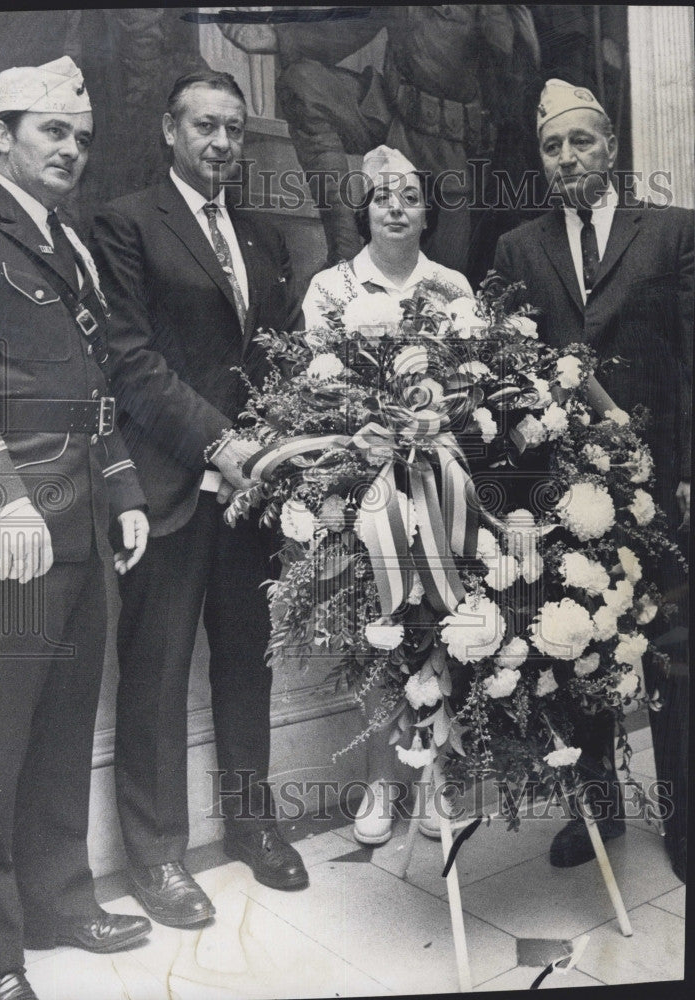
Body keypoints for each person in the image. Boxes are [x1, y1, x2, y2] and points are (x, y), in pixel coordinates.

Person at [0, 57, 152, 1000]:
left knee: (65, 728)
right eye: (50, 130)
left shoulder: (66, 243)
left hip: (83, 520)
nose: (70, 148)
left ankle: (61, 898)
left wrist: (125, 484)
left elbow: (90, 385)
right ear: (3, 134)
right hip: (10, 529)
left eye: (80, 135)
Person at [90, 70, 310, 930]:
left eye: (234, 130)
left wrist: (278, 449)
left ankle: (254, 826)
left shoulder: (258, 235)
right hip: (172, 485)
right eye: (206, 127)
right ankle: (156, 859)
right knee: (155, 672)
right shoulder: (126, 223)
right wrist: (220, 442)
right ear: (170, 132)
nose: (222, 144)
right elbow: (131, 361)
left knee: (245, 660)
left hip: (250, 495)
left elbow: (279, 361)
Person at [494, 78, 692, 880]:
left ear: (612, 147)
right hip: (566, 494)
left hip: (664, 484)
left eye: (582, 141)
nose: (569, 157)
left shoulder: (673, 233)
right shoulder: (517, 248)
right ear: (541, 161)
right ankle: (601, 812)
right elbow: (508, 368)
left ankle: (681, 820)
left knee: (675, 654)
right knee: (580, 655)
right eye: (553, 146)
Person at [302, 145, 474, 844]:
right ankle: (381, 777)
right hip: (363, 488)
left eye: (409, 196)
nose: (396, 208)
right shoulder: (332, 289)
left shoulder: (453, 286)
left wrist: (443, 412)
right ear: (363, 210)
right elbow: (309, 395)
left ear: (427, 210)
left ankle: (435, 777)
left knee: (439, 622)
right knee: (375, 631)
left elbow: (475, 384)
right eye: (381, 197)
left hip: (440, 488)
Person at [219, 5, 540, 280]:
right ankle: (344, 250)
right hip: (391, 117)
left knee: (441, 289)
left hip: (452, 154)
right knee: (303, 84)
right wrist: (277, 38)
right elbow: (348, 26)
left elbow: (515, 77)